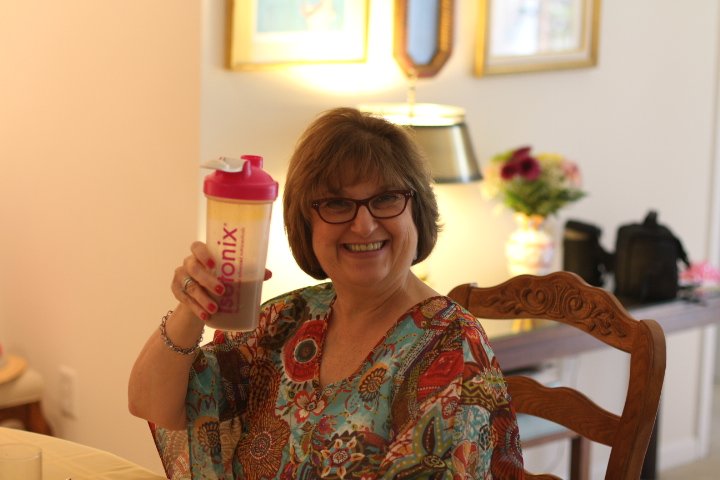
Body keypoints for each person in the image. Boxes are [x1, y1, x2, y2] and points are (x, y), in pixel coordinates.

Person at [128, 107, 524, 479]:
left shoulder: (450, 347)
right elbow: (152, 402)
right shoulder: (287, 319)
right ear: (306, 224)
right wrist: (191, 306)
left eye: (386, 198)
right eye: (336, 204)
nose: (364, 225)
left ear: (416, 213)